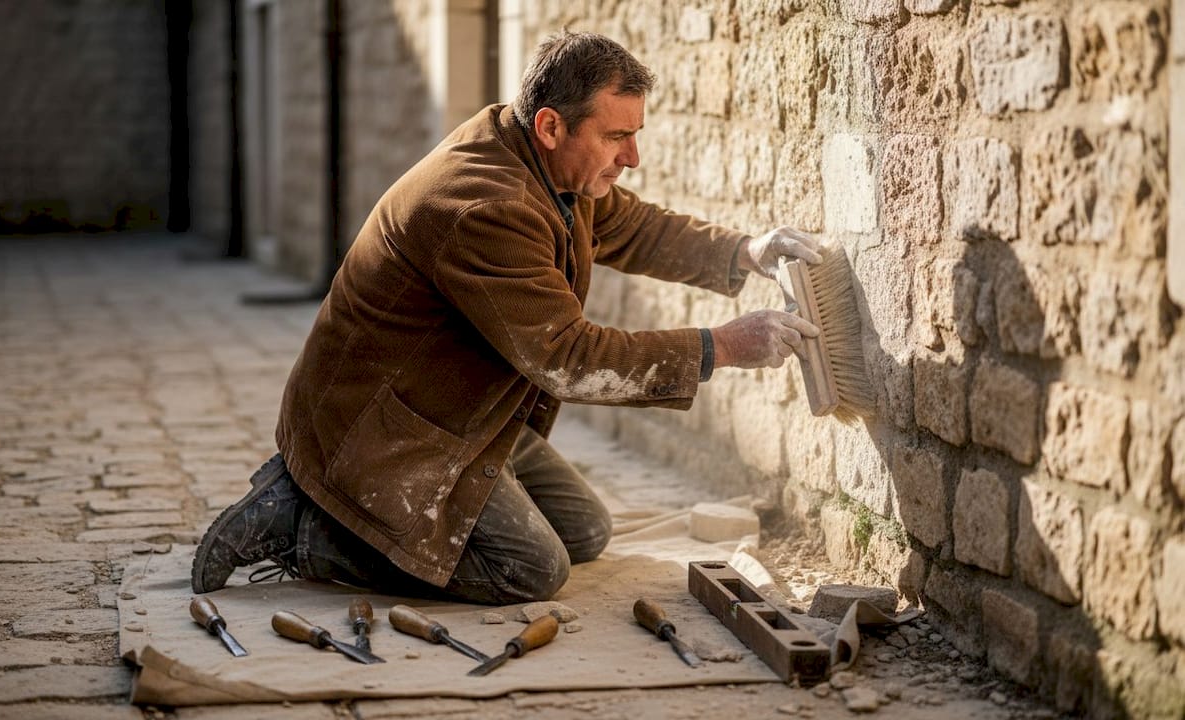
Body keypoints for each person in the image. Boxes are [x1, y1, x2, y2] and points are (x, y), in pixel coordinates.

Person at [191, 30, 821, 604]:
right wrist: (723, 347)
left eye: (635, 134)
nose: (632, 157)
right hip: (380, 428)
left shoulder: (544, 162)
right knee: (529, 569)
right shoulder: (486, 206)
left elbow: (635, 227)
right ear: (551, 125)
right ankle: (299, 525)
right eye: (615, 137)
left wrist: (747, 251)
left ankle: (378, 510)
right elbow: (569, 360)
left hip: (460, 410)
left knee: (584, 531)